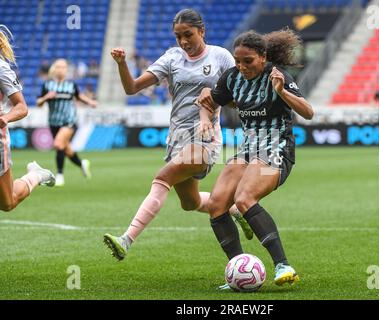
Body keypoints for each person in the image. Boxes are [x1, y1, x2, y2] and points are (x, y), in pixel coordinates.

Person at [103, 9, 254, 261]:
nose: (183, 41)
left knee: (162, 178)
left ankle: (126, 240)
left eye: (188, 35)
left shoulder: (221, 57)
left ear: (201, 31)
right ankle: (235, 208)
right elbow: (131, 88)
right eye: (178, 36)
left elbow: (237, 98)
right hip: (177, 138)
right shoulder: (172, 57)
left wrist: (218, 100)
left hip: (204, 137)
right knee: (190, 203)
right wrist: (122, 64)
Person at [196, 29, 314, 288]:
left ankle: (283, 265)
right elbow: (207, 101)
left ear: (262, 57)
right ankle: (240, 269)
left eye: (247, 61)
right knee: (217, 205)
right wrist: (205, 120)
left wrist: (282, 91)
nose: (241, 66)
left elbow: (308, 112)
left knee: (244, 199)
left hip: (276, 149)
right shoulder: (232, 78)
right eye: (237, 61)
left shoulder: (277, 76)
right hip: (247, 150)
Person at [0, 25, 55, 212]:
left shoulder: (1, 69)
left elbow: (22, 107)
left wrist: (6, 118)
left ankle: (36, 176)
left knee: (7, 203)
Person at [36, 59, 96, 186]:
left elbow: (79, 96)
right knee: (66, 148)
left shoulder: (71, 85)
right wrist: (47, 97)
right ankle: (82, 164)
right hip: (53, 122)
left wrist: (90, 102)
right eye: (58, 67)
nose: (61, 69)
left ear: (66, 70)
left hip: (69, 120)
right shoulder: (47, 85)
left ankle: (60, 175)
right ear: (54, 69)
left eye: (63, 67)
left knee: (58, 144)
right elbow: (39, 103)